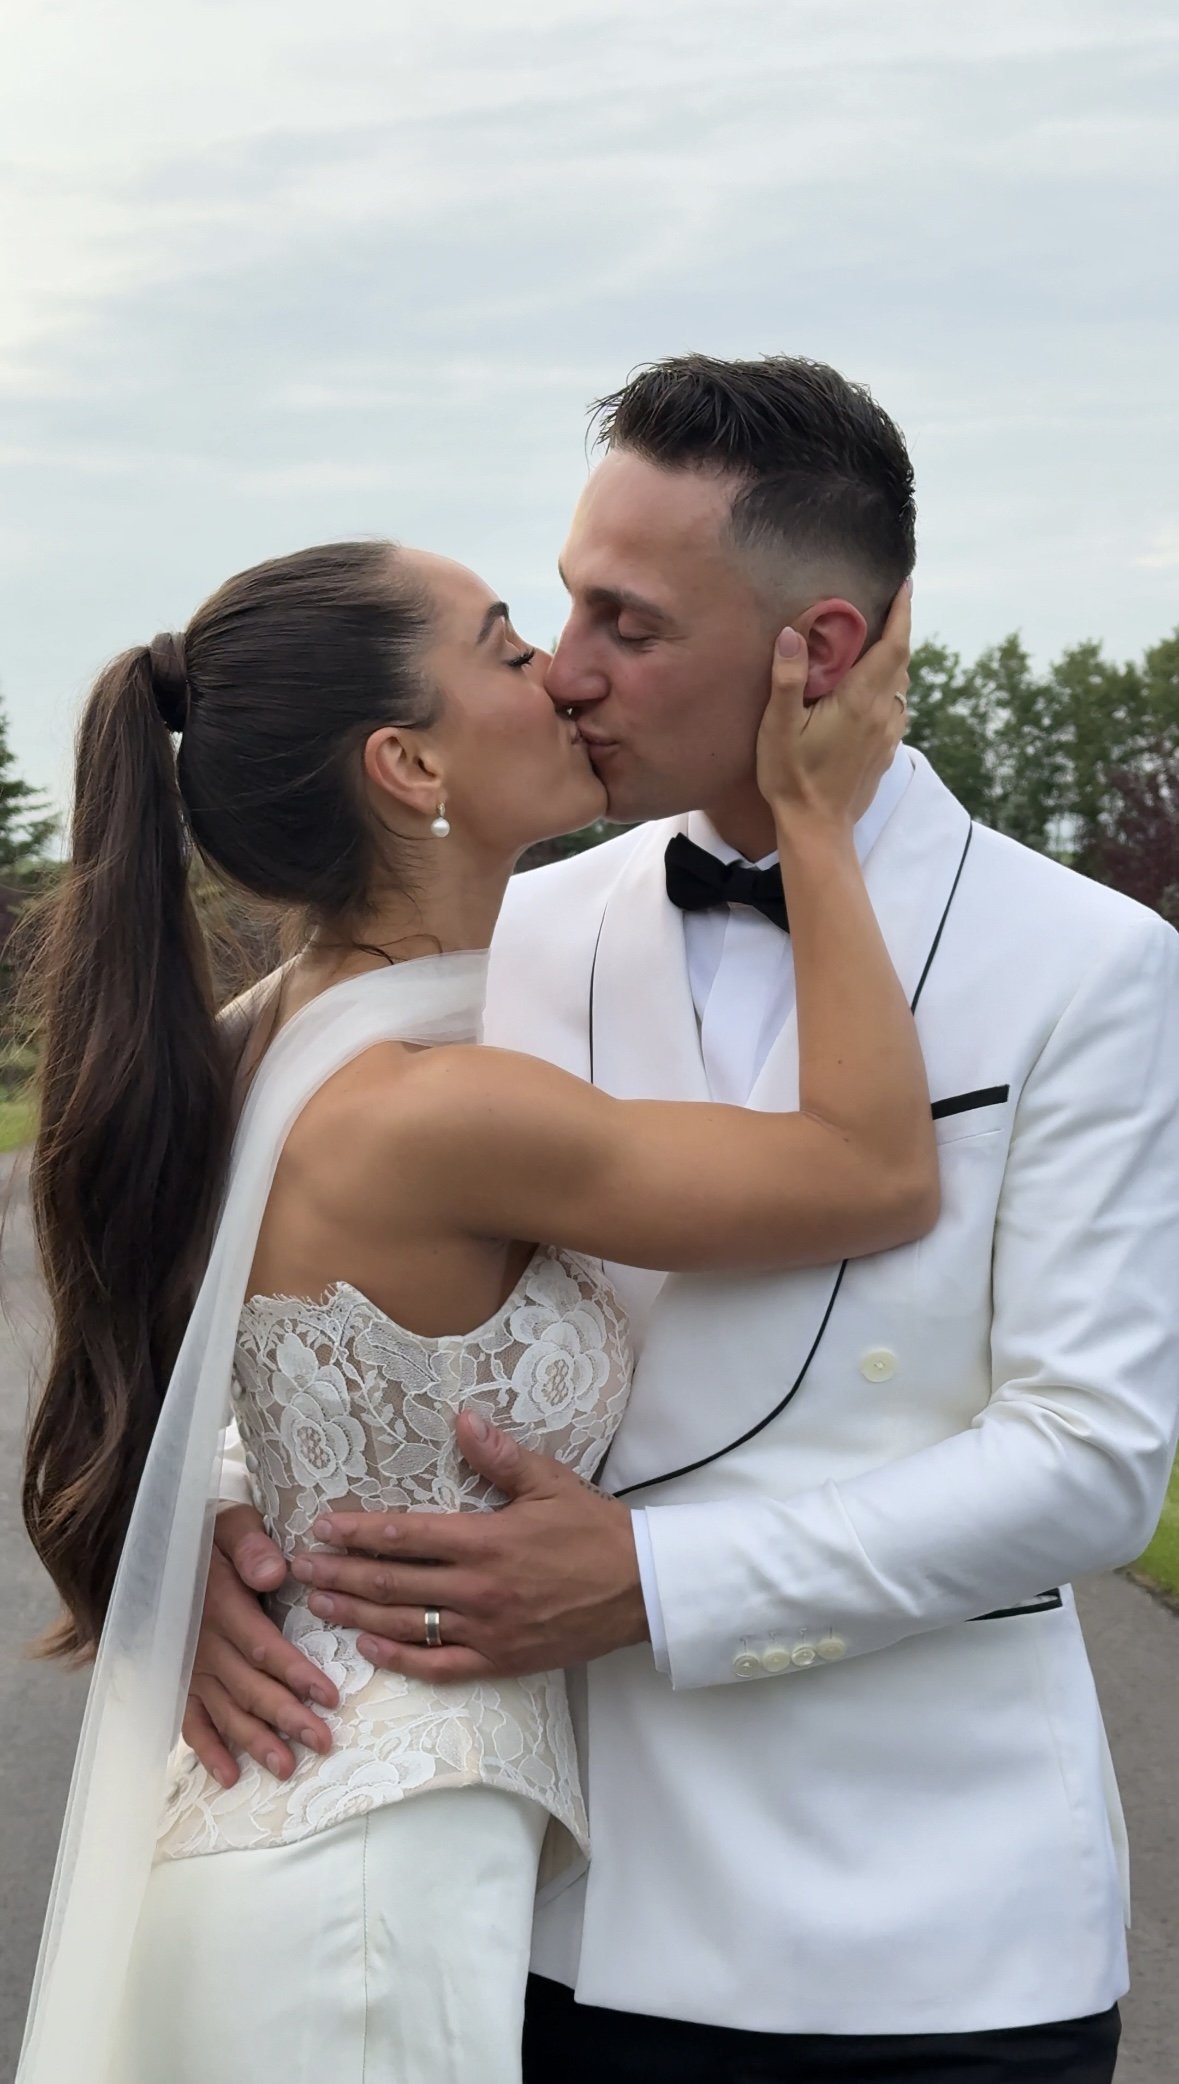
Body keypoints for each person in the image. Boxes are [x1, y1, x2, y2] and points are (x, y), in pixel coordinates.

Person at [197, 357, 1179, 2084]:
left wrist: (658, 1581)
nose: (567, 669)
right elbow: (275, 1225)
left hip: (929, 1944)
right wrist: (233, 1530)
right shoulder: (514, 920)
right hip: (550, 1917)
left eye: (627, 625)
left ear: (820, 650)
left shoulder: (1092, 966)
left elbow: (1092, 1459)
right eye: (561, 604)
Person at [18, 535, 927, 2084]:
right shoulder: (435, 1105)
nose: (561, 673)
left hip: (294, 1825)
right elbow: (876, 1172)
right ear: (409, 763)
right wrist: (816, 826)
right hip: (370, 1878)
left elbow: (227, 1370)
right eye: (508, 647)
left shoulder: (258, 1042)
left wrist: (201, 1523)